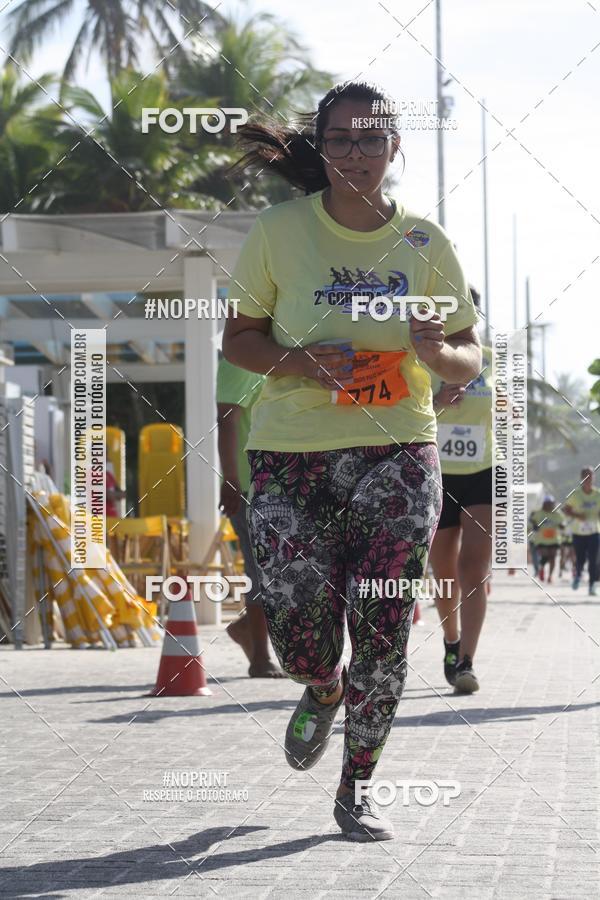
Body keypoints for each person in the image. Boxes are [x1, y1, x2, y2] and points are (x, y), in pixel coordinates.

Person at [222, 80, 481, 841]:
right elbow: (237, 340)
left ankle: (357, 785)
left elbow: (469, 359)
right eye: (341, 140)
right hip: (289, 452)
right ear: (323, 147)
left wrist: (439, 351)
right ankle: (322, 688)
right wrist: (301, 363)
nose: (357, 154)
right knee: (300, 632)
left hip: (397, 450)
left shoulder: (426, 243)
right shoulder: (278, 231)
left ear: (395, 148)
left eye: (373, 140)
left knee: (384, 624)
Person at [427, 290, 491, 694]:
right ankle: (451, 642)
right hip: (435, 471)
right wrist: (436, 402)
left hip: (484, 470)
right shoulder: (422, 356)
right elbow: (405, 413)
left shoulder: (492, 358)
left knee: (474, 569)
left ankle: (467, 660)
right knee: (444, 573)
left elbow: (511, 418)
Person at [216, 356, 284, 677]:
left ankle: (248, 628)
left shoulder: (281, 352)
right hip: (251, 485)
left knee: (282, 572)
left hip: (282, 484)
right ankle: (260, 657)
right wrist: (231, 479)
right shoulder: (240, 358)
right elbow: (227, 419)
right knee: (260, 570)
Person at [564, 467, 600, 595]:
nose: (588, 479)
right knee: (580, 559)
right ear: (581, 478)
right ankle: (578, 576)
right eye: (586, 476)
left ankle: (592, 586)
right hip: (578, 533)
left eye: (591, 476)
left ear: (594, 478)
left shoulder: (598, 494)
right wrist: (578, 516)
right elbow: (566, 509)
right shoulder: (576, 494)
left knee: (594, 559)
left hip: (594, 532)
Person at [529, 495, 565, 584]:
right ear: (544, 504)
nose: (549, 505)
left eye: (551, 504)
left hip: (554, 539)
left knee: (552, 557)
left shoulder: (557, 514)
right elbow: (531, 520)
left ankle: (550, 576)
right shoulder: (538, 513)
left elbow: (563, 523)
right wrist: (534, 525)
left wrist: (562, 526)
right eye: (547, 504)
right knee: (545, 556)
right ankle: (541, 568)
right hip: (541, 540)